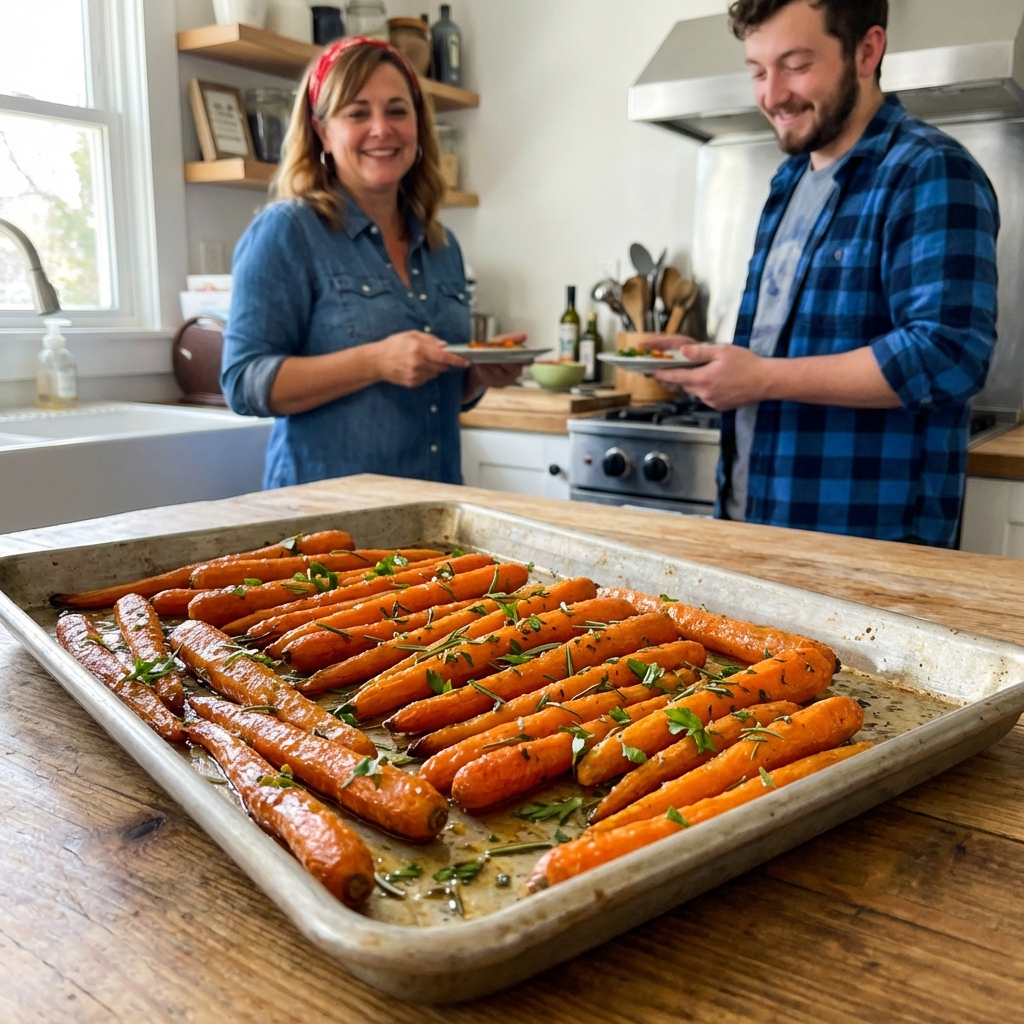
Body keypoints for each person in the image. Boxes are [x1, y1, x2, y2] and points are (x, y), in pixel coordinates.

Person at [649, 0, 999, 547]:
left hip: (868, 543)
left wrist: (761, 377)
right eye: (758, 71)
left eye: (796, 64)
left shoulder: (929, 170)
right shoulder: (788, 182)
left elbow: (948, 354)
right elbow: (788, 348)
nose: (771, 94)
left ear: (867, 50)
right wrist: (708, 364)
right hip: (757, 521)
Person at [220, 37, 521, 489]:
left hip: (432, 509)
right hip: (324, 524)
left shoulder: (443, 246)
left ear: (418, 125)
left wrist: (476, 376)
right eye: (358, 113)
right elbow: (243, 383)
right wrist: (375, 361)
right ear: (322, 130)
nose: (381, 129)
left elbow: (434, 397)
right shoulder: (289, 231)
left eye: (397, 111)